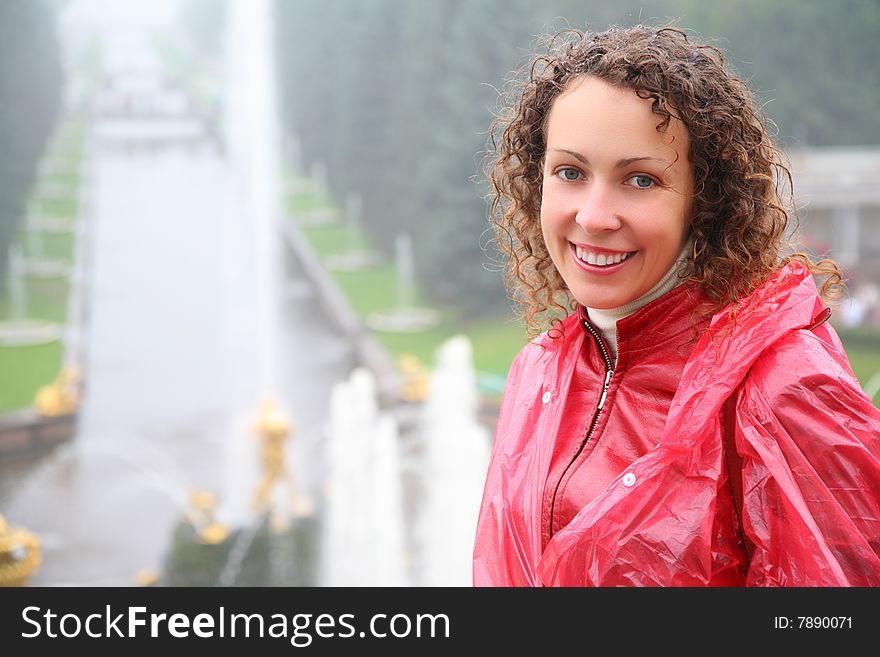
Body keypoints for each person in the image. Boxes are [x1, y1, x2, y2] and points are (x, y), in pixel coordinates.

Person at [473, 24, 880, 586]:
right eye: (570, 172)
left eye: (639, 180)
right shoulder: (540, 370)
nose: (593, 216)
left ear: (705, 202)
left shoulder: (780, 389)